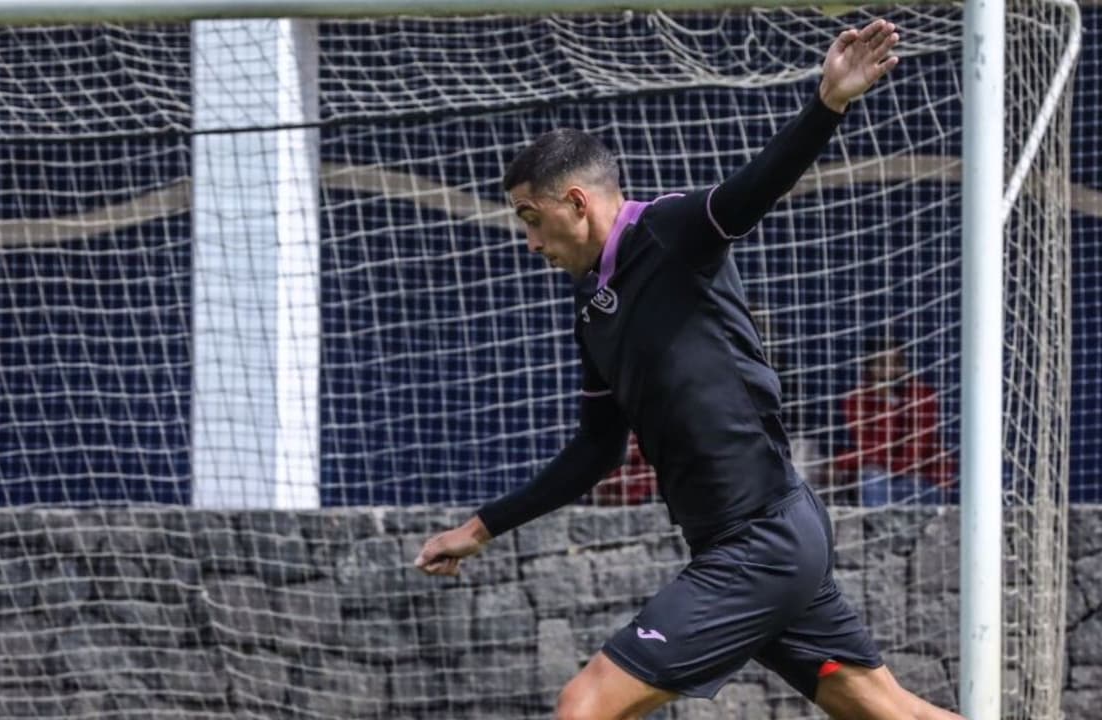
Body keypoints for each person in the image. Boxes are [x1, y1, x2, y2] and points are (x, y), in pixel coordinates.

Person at [413, 19, 965, 720]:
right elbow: (595, 452)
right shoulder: (592, 308)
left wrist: (828, 103)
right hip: (759, 542)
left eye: (530, 218)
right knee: (894, 714)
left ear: (576, 204)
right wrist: (482, 527)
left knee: (583, 705)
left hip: (759, 541)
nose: (528, 241)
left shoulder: (669, 232)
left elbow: (752, 190)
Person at [835, 337, 957, 505]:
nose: (891, 370)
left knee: (912, 485)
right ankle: (883, 530)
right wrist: (888, 405)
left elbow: (919, 449)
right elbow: (873, 449)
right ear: (870, 367)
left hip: (919, 475)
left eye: (898, 362)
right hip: (881, 475)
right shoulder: (855, 400)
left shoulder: (923, 395)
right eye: (883, 363)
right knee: (873, 478)